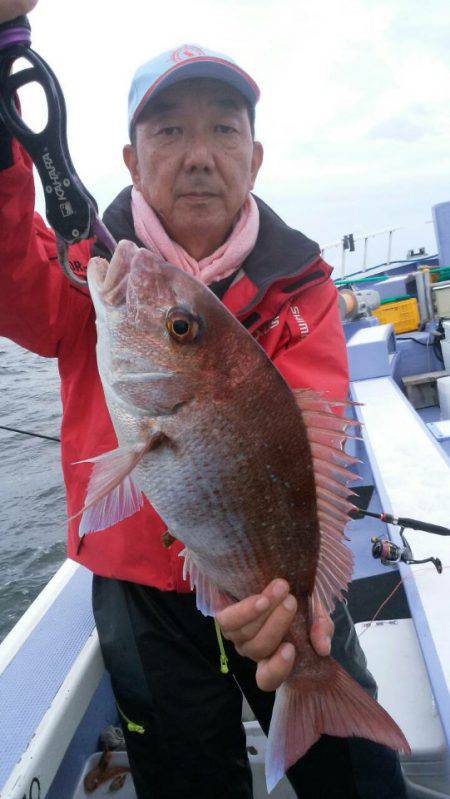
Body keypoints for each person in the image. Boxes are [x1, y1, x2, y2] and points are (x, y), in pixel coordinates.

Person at [0, 3, 407, 797]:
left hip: (278, 577)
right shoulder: (96, 272)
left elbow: (309, 449)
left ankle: (322, 690)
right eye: (169, 132)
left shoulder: (304, 284)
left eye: (223, 130)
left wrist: (303, 615)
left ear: (254, 157)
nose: (198, 156)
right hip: (143, 604)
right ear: (130, 156)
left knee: (359, 777)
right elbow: (11, 266)